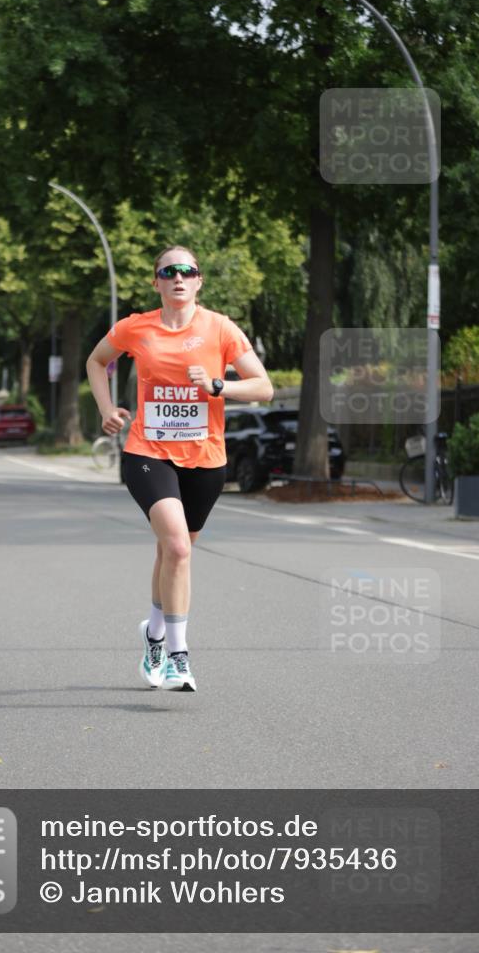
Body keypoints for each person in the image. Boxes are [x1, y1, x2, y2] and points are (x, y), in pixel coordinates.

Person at [86, 245, 273, 692]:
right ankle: (177, 657)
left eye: (187, 271)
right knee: (179, 549)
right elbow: (96, 361)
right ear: (157, 282)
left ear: (198, 281)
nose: (178, 278)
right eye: (168, 271)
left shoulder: (220, 328)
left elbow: (263, 387)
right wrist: (107, 408)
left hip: (206, 458)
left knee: (171, 552)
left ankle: (152, 632)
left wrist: (217, 385)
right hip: (148, 451)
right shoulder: (136, 327)